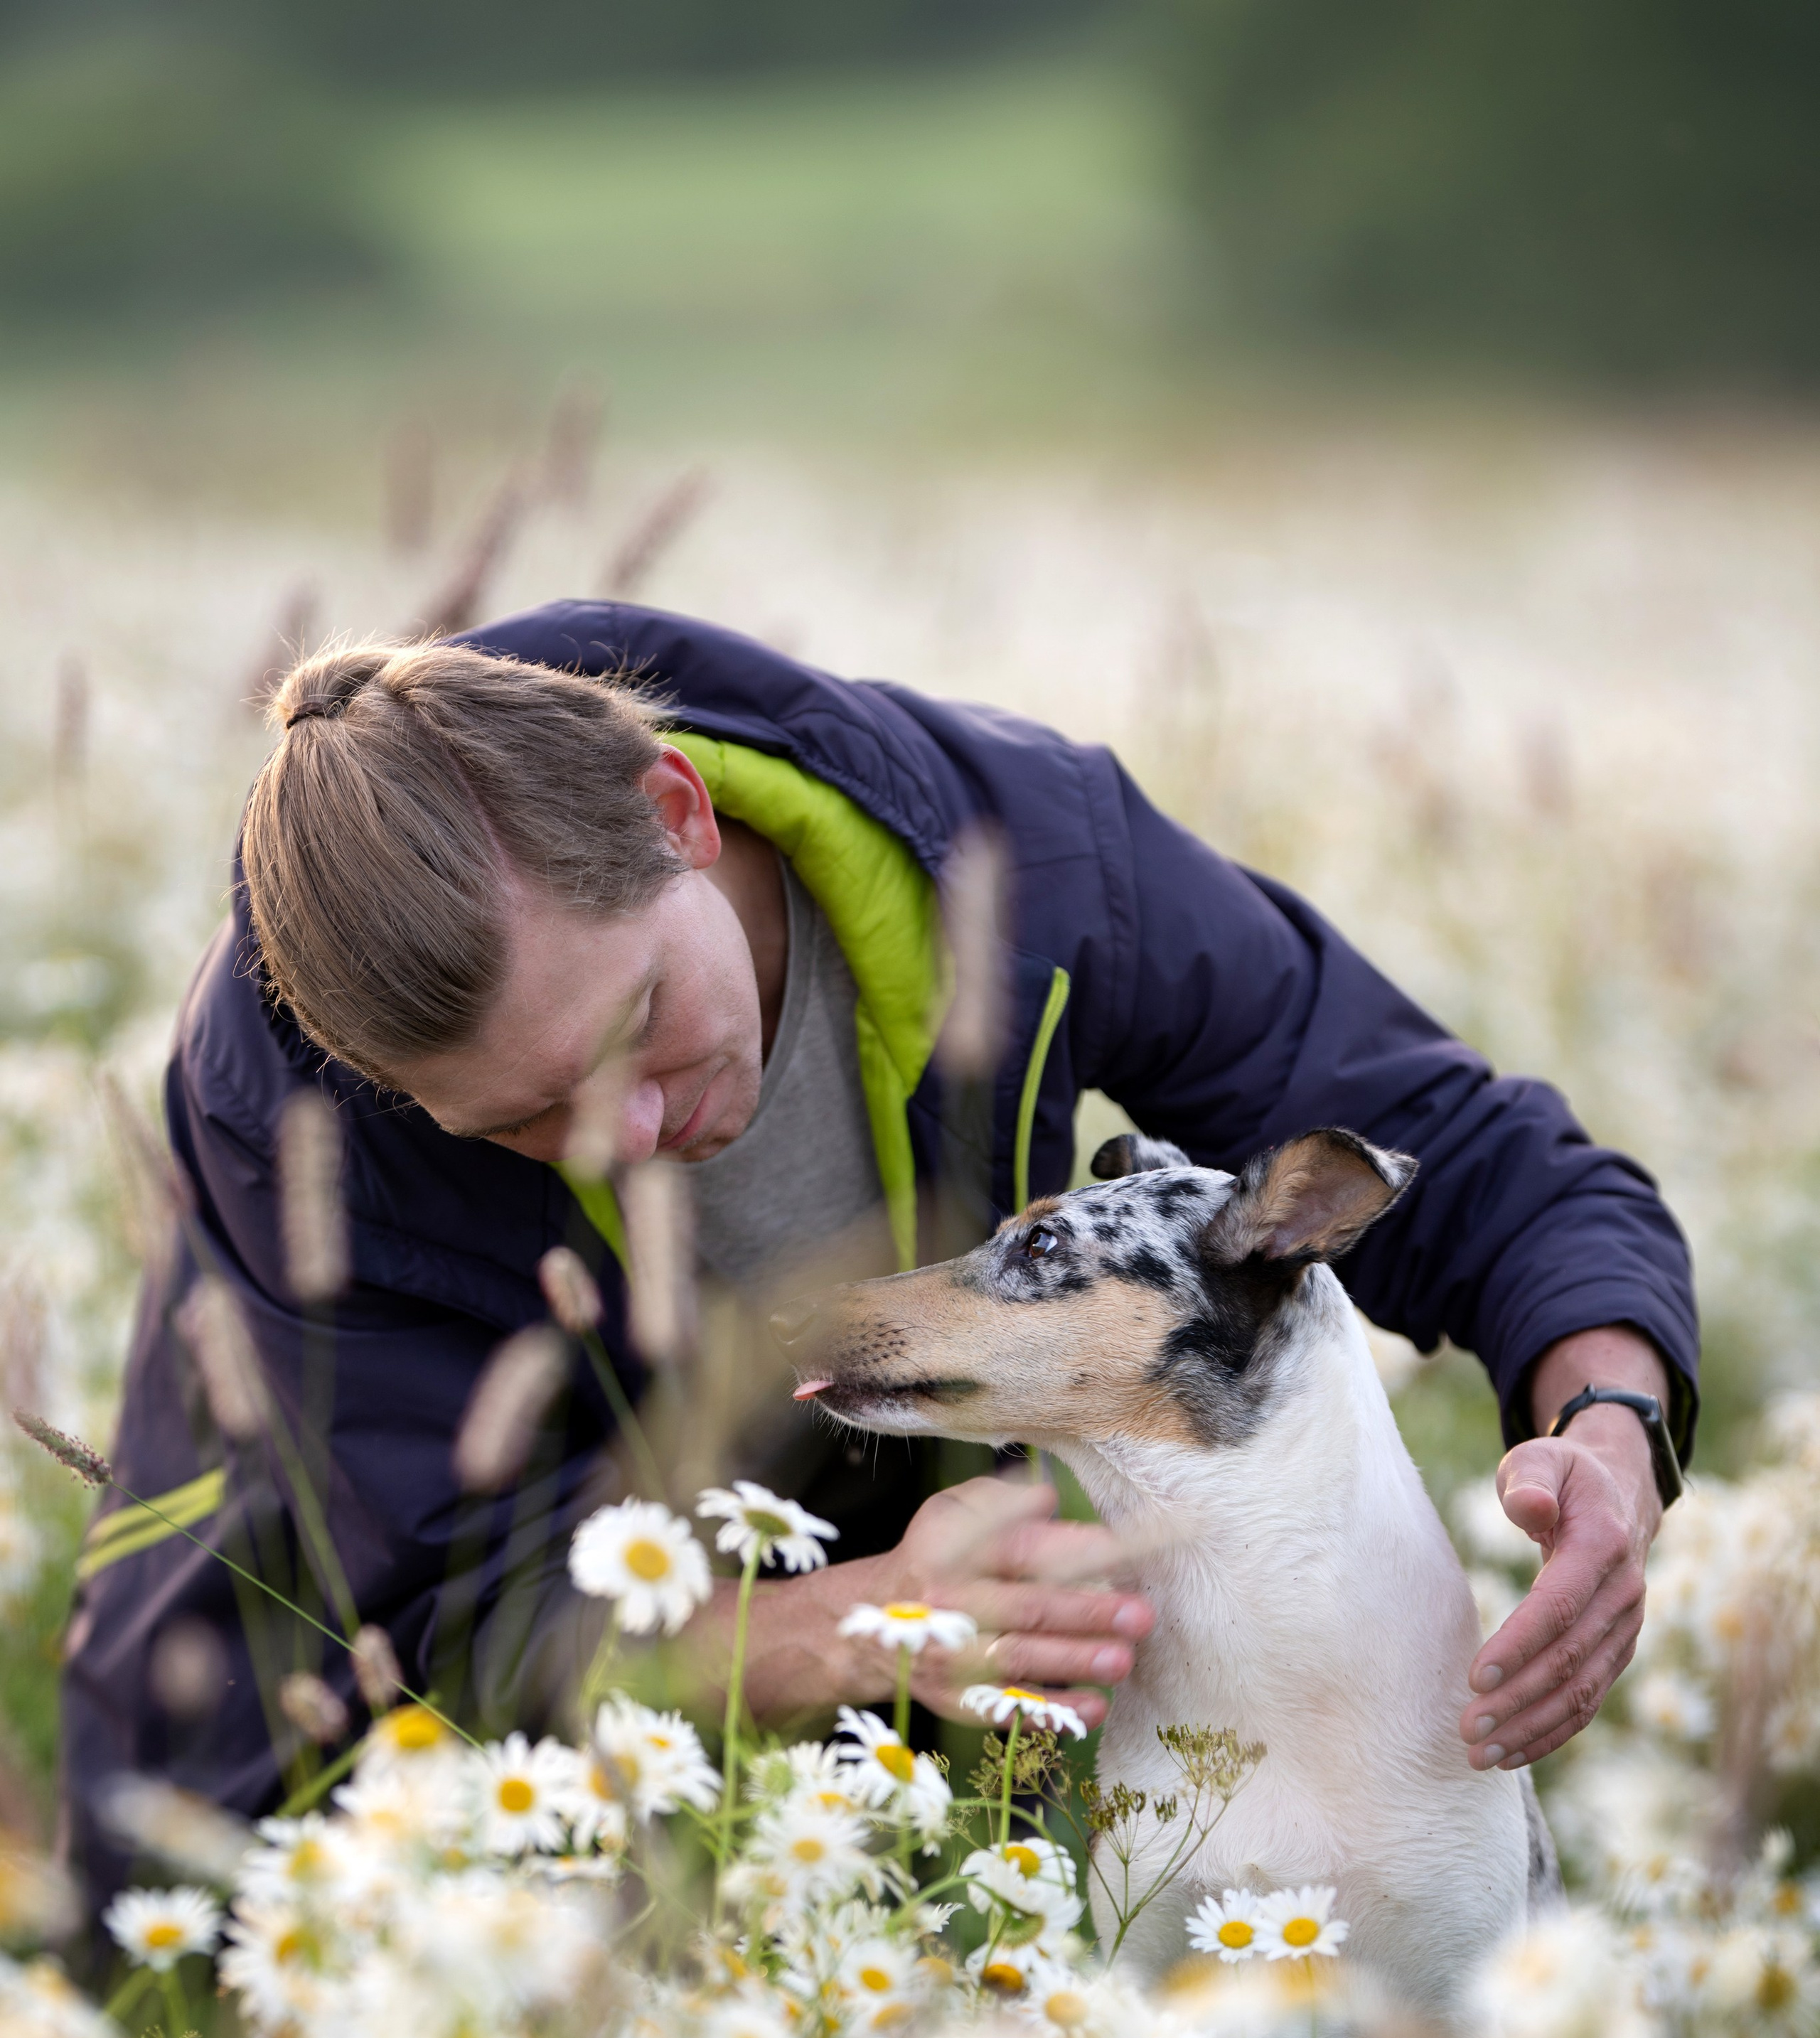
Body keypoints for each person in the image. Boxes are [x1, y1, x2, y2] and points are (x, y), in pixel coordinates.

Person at [59, 600, 1698, 1903]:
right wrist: (852, 1625)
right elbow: (434, 1641)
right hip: (320, 1836)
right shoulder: (286, 1106)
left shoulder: (1029, 852)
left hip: (868, 1785)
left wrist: (1607, 1432)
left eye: (638, 1028)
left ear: (678, 810)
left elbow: (1474, 1158)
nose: (625, 1145)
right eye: (517, 1125)